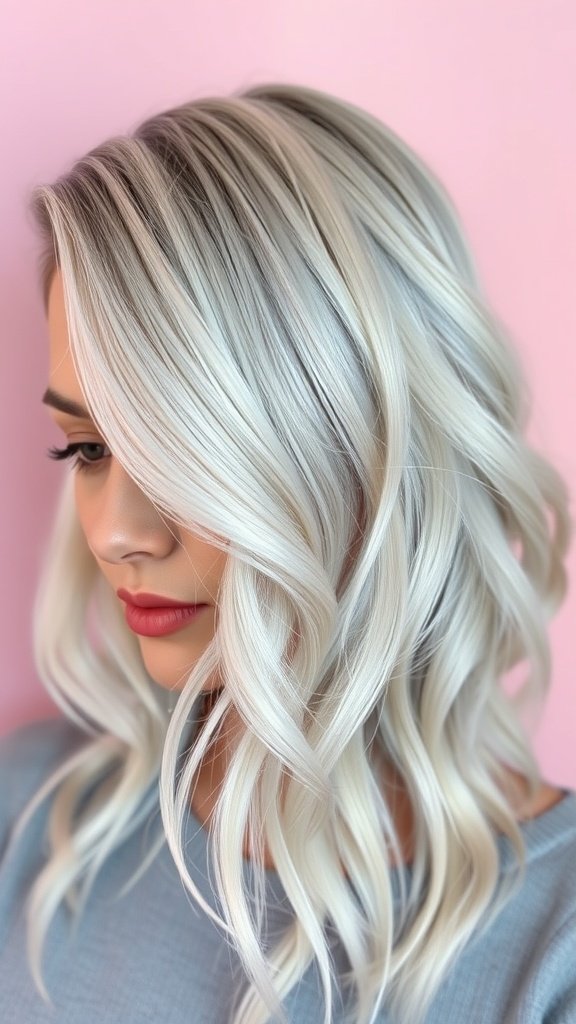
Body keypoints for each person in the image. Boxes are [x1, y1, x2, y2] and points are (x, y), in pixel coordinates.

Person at [1, 81, 575, 1024]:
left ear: (370, 441)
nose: (113, 534)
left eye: (183, 452)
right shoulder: (35, 823)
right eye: (90, 449)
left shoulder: (552, 952)